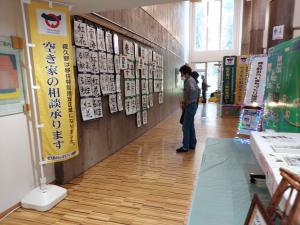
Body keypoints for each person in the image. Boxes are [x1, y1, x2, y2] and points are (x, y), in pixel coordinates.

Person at [177, 65, 200, 153]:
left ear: (186, 73)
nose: (181, 75)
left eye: (182, 73)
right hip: (192, 105)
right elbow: (195, 91)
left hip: (190, 106)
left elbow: (193, 91)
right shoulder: (191, 80)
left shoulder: (189, 81)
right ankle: (192, 144)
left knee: (185, 126)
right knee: (190, 125)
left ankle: (185, 146)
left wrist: (186, 102)